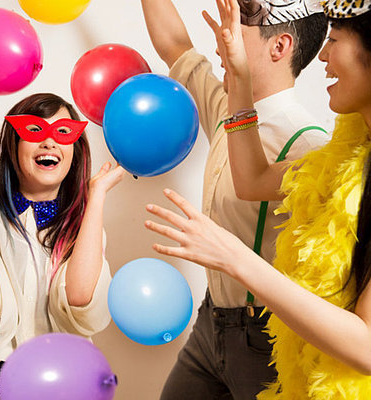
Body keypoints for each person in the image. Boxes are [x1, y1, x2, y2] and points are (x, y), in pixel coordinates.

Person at [145, 0, 371, 398]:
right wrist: (239, 73)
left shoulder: (308, 142)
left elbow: (365, 345)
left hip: (265, 336)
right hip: (210, 322)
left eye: (335, 40)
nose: (323, 55)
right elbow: (251, 181)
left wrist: (234, 256)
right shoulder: (342, 159)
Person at [0, 93, 124, 400]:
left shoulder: (84, 221)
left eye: (62, 132)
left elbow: (80, 300)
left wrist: (97, 195)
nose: (49, 142)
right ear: (13, 144)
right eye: (35, 131)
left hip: (62, 382)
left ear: (75, 149)